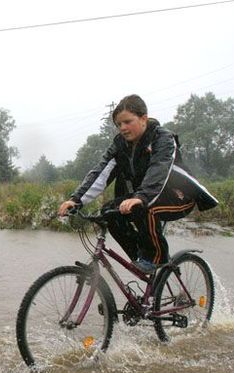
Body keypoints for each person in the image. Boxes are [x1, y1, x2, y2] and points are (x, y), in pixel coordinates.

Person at [58, 94, 218, 274]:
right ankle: (140, 260)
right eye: (119, 124)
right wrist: (76, 199)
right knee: (109, 212)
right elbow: (101, 171)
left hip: (178, 195)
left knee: (145, 208)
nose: (123, 128)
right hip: (144, 195)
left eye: (127, 121)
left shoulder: (163, 139)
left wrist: (141, 197)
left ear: (143, 118)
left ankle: (156, 258)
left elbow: (158, 169)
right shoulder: (120, 144)